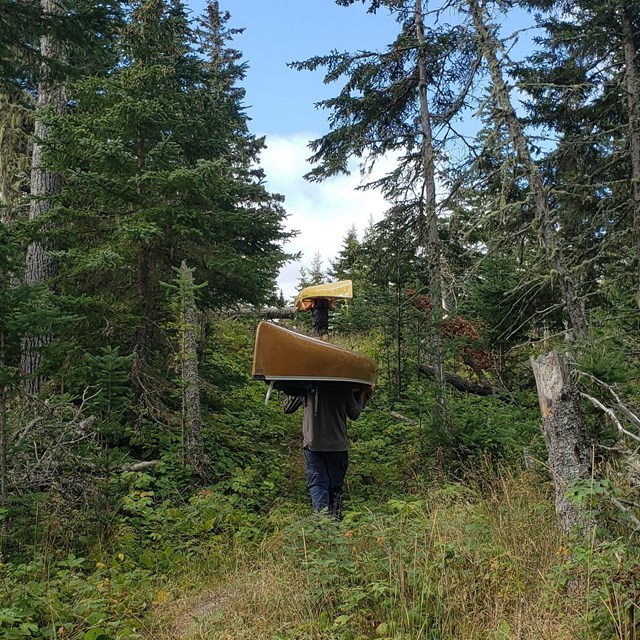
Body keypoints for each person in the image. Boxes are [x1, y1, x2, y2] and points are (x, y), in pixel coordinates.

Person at [284, 381, 370, 519]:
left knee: (318, 486)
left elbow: (287, 408)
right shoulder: (343, 385)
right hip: (337, 447)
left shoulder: (308, 384)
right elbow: (354, 414)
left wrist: (295, 386)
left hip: (314, 445)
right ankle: (334, 526)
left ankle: (322, 526)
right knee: (335, 489)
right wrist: (362, 394)